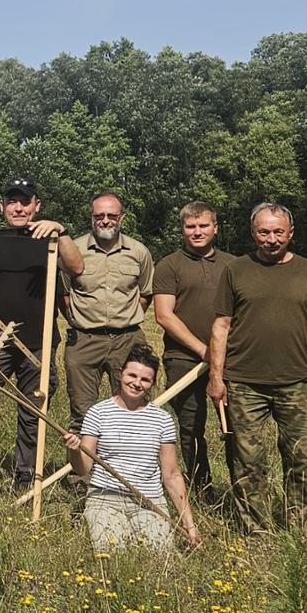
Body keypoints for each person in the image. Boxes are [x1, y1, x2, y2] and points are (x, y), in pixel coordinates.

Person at [208, 203, 307, 534]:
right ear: (253, 233)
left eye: (278, 232)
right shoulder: (235, 270)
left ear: (290, 233)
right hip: (243, 383)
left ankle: (298, 528)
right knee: (248, 463)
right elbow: (221, 326)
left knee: (300, 459)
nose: (271, 239)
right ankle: (256, 532)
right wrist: (216, 378)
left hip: (296, 383)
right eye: (263, 232)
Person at [0, 177, 83, 491]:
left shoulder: (50, 240)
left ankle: (26, 479)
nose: (18, 207)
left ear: (36, 206)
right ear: (2, 207)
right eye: (12, 201)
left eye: (25, 201)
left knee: (32, 413)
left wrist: (60, 230)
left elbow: (76, 266)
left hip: (38, 343)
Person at [63, 347, 203, 551]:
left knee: (159, 555)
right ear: (120, 374)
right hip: (105, 498)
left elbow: (172, 475)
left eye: (145, 380)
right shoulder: (98, 413)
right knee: (111, 551)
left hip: (148, 500)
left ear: (152, 383)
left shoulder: (162, 419)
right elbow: (83, 468)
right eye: (132, 375)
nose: (137, 383)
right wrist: (74, 451)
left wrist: (189, 525)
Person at [62, 190, 155, 485]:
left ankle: (135, 476)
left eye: (111, 215)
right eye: (99, 215)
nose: (105, 220)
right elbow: (65, 296)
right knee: (83, 413)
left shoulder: (139, 252)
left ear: (122, 218)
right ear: (91, 217)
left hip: (127, 340)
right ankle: (84, 482)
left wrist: (121, 322)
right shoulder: (72, 250)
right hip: (84, 340)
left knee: (136, 409)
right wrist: (84, 322)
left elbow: (144, 295)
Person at [151, 201, 232, 494]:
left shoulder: (233, 265)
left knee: (234, 424)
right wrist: (202, 350)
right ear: (183, 229)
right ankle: (201, 486)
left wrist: (220, 354)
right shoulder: (169, 265)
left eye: (203, 226)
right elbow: (164, 315)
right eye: (190, 227)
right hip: (183, 358)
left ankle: (241, 486)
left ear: (215, 228)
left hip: (230, 359)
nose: (197, 232)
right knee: (190, 427)